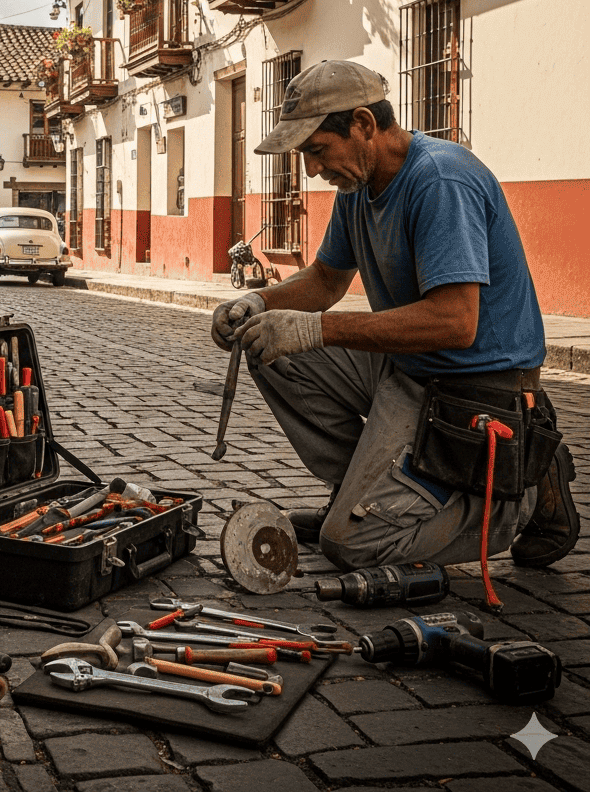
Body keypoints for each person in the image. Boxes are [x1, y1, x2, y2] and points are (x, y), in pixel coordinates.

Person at [212, 59, 577, 577]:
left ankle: (525, 489)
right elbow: (324, 281)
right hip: (411, 367)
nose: (313, 169)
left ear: (363, 124)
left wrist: (314, 328)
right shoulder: (356, 188)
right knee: (269, 349)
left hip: (475, 384)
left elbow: (456, 323)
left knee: (352, 548)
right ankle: (357, 495)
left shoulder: (440, 180)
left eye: (317, 150)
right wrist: (259, 305)